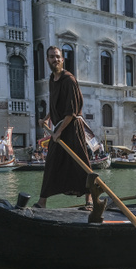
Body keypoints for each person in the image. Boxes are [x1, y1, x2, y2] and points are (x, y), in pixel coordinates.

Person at [33, 45, 93, 210]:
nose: (55, 59)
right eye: (52, 57)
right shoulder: (52, 79)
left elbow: (72, 111)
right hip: (58, 129)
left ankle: (90, 200)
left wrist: (58, 131)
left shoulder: (69, 80)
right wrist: (45, 118)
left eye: (58, 56)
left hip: (73, 127)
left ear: (62, 59)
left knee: (81, 162)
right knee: (51, 163)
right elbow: (55, 104)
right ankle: (42, 202)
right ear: (47, 60)